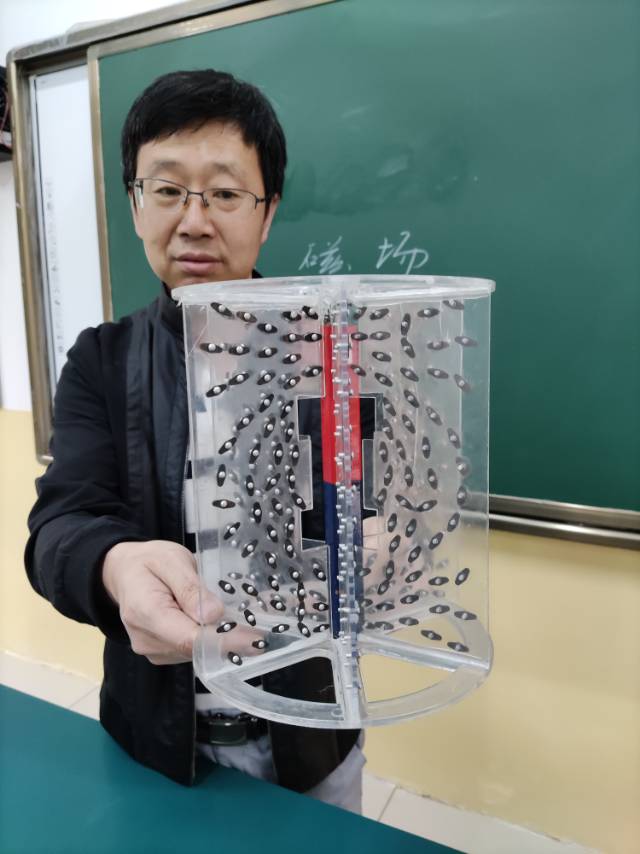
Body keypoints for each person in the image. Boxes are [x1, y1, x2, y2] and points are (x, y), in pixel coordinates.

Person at [25, 69, 365, 812]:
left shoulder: (332, 351)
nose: (194, 220)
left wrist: (378, 542)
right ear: (135, 204)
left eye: (225, 193)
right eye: (169, 189)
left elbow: (370, 509)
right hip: (152, 742)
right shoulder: (101, 360)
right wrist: (114, 566)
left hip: (312, 734)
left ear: (267, 213)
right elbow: (59, 526)